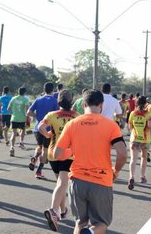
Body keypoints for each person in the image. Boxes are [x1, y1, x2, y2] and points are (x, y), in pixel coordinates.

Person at [53, 89, 127, 234]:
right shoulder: (111, 125)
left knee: (80, 223)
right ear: (101, 105)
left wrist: (72, 151)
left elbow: (58, 154)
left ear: (83, 104)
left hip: (77, 180)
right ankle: (91, 232)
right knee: (101, 223)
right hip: (101, 180)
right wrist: (116, 170)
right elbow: (122, 153)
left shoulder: (72, 124)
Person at [38, 90, 79, 232]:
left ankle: (62, 210)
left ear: (59, 102)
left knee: (60, 184)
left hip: (53, 153)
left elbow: (40, 127)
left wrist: (47, 134)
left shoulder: (52, 115)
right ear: (71, 101)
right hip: (68, 153)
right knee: (62, 183)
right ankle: (54, 210)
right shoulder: (76, 117)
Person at [27, 82, 59, 179]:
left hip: (37, 128)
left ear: (44, 89)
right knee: (45, 150)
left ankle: (35, 158)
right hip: (48, 129)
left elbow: (28, 112)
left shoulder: (38, 99)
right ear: (52, 90)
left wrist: (37, 116)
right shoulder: (55, 101)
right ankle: (39, 170)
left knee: (39, 146)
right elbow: (57, 115)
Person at [128, 96, 151, 190]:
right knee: (144, 157)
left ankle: (131, 176)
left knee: (133, 159)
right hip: (145, 140)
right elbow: (150, 126)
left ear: (136, 103)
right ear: (146, 103)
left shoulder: (133, 113)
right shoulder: (148, 114)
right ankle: (142, 176)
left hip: (134, 138)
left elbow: (130, 127)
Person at [7, 87, 30, 157]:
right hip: (22, 118)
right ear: (25, 93)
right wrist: (28, 118)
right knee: (23, 130)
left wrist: (14, 113)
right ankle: (21, 142)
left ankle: (12, 147)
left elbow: (8, 108)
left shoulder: (13, 98)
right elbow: (27, 111)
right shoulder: (25, 99)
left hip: (14, 118)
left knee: (14, 133)